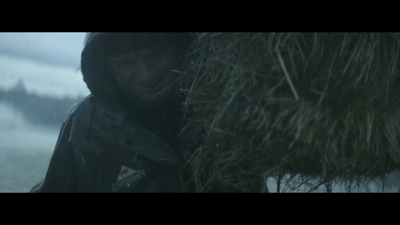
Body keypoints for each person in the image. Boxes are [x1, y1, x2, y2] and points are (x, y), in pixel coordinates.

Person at [30, 32, 195, 192]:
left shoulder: (209, 105)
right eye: (126, 63)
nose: (146, 76)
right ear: (106, 68)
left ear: (178, 47)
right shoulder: (85, 123)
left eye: (155, 56)